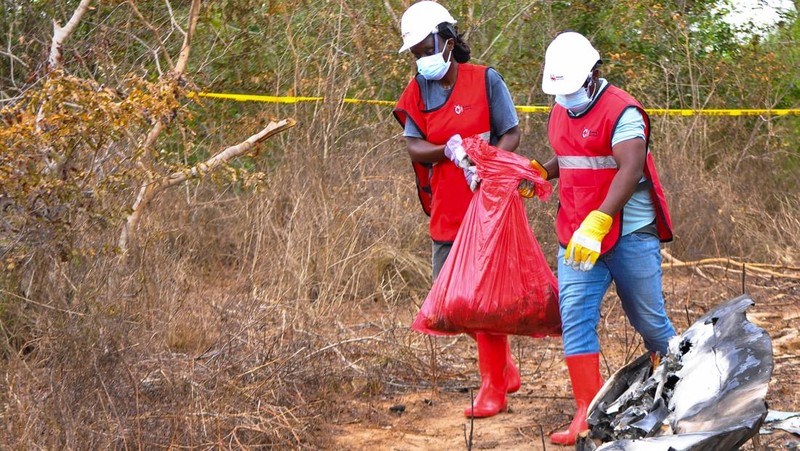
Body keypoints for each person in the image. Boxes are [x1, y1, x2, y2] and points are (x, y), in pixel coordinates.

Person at [530, 31, 677, 445]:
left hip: (629, 232)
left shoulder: (623, 111)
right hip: (577, 233)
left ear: (593, 74)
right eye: (561, 91)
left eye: (574, 88)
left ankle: (678, 394)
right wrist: (541, 172)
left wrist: (600, 221)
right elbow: (572, 153)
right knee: (575, 317)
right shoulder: (561, 106)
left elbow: (629, 167)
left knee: (649, 321)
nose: (567, 98)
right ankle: (587, 415)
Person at [392, 1, 524, 418]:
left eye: (425, 50)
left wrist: (487, 163)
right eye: (415, 54)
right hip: (447, 207)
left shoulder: (485, 80)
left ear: (447, 41)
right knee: (449, 301)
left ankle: (492, 388)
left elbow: (511, 132)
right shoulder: (419, 89)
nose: (421, 60)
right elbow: (414, 146)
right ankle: (503, 367)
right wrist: (447, 151)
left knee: (483, 300)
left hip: (484, 205)